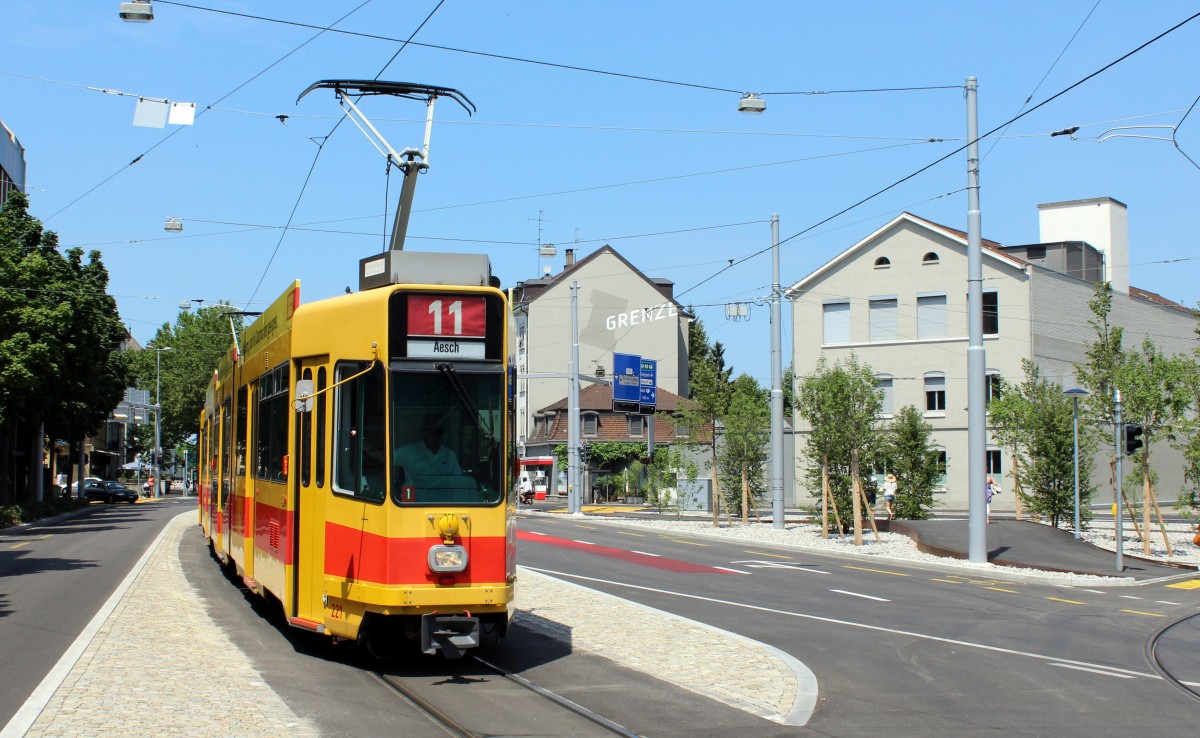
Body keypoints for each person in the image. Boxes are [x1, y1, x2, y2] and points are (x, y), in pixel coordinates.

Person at [394, 413, 461, 481]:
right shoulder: (410, 451)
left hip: (441, 491)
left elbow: (458, 482)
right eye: (435, 431)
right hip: (413, 491)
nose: (438, 435)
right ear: (424, 432)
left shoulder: (449, 455)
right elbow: (387, 458)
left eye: (441, 431)